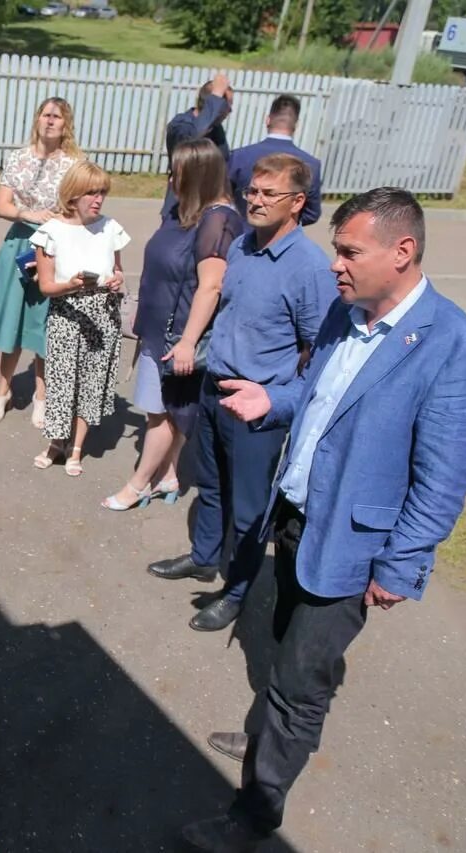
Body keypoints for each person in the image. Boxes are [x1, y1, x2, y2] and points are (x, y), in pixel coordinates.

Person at [179, 187, 466, 852]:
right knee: (283, 647)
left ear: (402, 251)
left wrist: (401, 563)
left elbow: (442, 480)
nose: (335, 265)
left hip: (353, 547)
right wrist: (273, 396)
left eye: (350, 251)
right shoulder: (345, 314)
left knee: (299, 679)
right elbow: (316, 393)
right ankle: (273, 736)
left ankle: (253, 815)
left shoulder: (452, 345)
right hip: (295, 520)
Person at [147, 153, 334, 632]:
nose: (255, 200)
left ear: (297, 202)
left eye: (268, 194)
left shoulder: (309, 267)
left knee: (250, 507)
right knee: (210, 484)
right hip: (215, 388)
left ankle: (236, 591)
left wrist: (279, 395)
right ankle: (204, 557)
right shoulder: (243, 246)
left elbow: (320, 347)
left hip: (258, 407)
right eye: (252, 190)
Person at [104, 139, 244, 511]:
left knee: (163, 410)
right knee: (160, 408)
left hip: (177, 334)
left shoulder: (218, 220)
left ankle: (138, 485)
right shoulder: (185, 210)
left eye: (177, 171)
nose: (170, 177)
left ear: (199, 174)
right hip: (157, 327)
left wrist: (187, 341)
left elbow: (211, 286)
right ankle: (168, 474)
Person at [0, 96, 81, 426]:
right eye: (46, 115)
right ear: (37, 119)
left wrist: (59, 225)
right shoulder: (18, 158)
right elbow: (2, 206)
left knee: (44, 325)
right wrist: (28, 213)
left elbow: (80, 209)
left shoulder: (74, 164)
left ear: (66, 125)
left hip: (54, 247)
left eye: (57, 117)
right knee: (13, 323)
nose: (50, 121)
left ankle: (41, 396)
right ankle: (2, 392)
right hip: (20, 244)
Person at [29, 160, 129, 477]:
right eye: (91, 192)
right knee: (61, 385)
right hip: (66, 317)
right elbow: (45, 287)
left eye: (102, 192)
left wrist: (116, 279)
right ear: (73, 195)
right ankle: (56, 443)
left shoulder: (110, 227)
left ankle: (76, 449)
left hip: (103, 315)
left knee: (91, 384)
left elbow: (118, 270)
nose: (98, 199)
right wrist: (70, 285)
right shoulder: (50, 232)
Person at [228, 95, 323, 227]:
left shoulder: (238, 156)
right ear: (296, 125)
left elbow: (224, 200)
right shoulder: (311, 164)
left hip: (240, 233)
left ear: (267, 120)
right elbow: (312, 213)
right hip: (282, 240)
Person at [160, 73, 233, 218]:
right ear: (213, 104)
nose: (230, 110)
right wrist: (217, 95)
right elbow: (193, 139)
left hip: (209, 205)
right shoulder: (181, 125)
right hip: (182, 206)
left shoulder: (215, 128)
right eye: (228, 105)